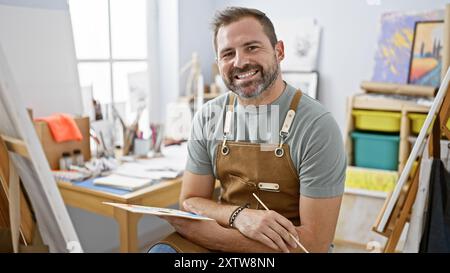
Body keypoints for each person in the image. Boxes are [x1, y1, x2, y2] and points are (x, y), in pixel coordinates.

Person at [149, 6, 346, 253]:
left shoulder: (317, 126)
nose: (240, 62)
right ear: (218, 63)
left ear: (279, 51)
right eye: (228, 53)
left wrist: (213, 237)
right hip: (228, 227)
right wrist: (239, 217)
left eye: (252, 47)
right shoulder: (209, 116)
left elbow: (314, 244)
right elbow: (189, 201)